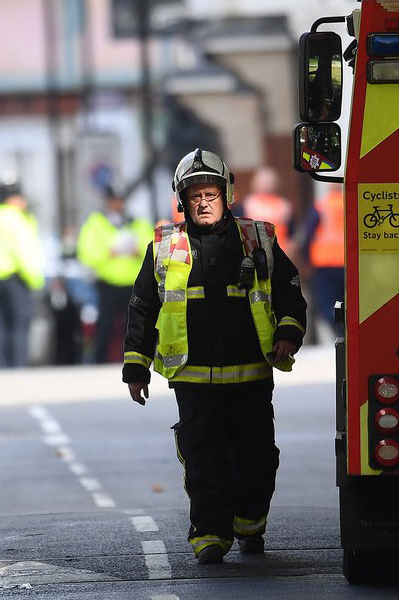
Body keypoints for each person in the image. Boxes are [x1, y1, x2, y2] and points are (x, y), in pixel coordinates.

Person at [122, 148, 307, 564]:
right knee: (202, 458)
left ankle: (249, 522)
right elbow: (142, 308)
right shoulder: (164, 247)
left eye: (210, 194)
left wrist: (288, 332)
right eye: (194, 196)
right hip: (193, 377)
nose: (203, 203)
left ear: (227, 196)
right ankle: (209, 533)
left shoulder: (259, 239)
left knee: (257, 458)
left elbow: (289, 291)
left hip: (250, 376)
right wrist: (136, 366)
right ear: (182, 201)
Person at [76, 185, 152, 363]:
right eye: (114, 200)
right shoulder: (96, 222)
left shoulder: (137, 222)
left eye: (120, 200)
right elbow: (86, 253)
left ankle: (135, 361)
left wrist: (137, 250)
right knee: (105, 325)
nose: (118, 204)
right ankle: (100, 361)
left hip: (133, 283)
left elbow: (151, 247)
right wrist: (109, 252)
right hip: (107, 282)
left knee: (134, 326)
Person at [0, 182, 45, 368]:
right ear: (14, 198)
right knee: (20, 326)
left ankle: (3, 366)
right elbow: (22, 251)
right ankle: (18, 367)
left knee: (3, 326)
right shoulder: (17, 218)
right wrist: (35, 280)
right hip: (17, 277)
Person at [302, 183, 345, 338]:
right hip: (346, 263)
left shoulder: (321, 206)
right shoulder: (350, 205)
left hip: (325, 263)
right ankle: (344, 330)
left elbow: (308, 235)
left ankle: (339, 331)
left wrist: (307, 260)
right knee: (346, 302)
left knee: (327, 304)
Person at [238, 166, 295, 259]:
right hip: (254, 253)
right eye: (264, 182)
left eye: (269, 181)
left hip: (279, 253)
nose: (267, 185)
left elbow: (292, 233)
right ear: (255, 183)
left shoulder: (284, 205)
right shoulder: (247, 203)